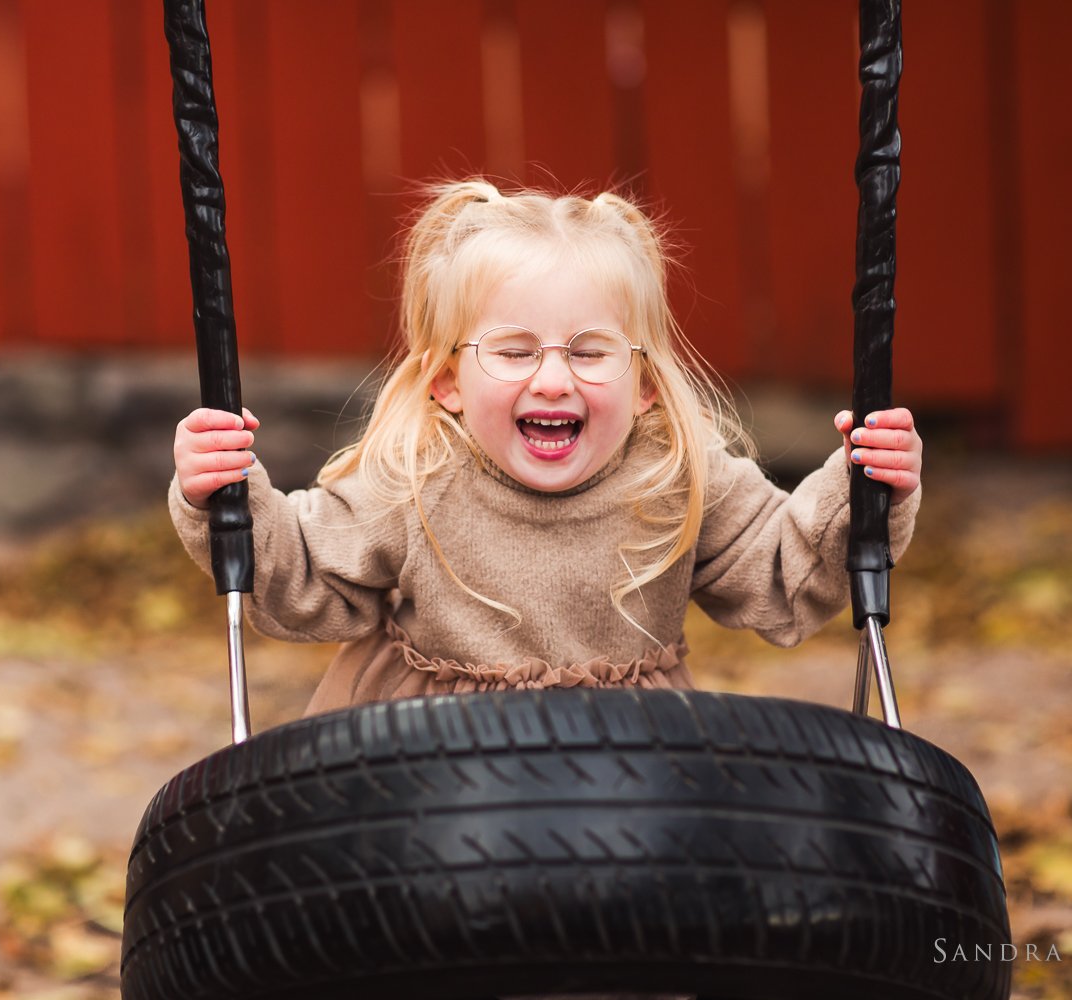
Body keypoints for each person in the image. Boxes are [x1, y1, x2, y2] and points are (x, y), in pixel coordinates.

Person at [169, 180, 922, 719]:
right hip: (423, 773)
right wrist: (229, 499)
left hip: (630, 771)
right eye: (516, 351)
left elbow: (784, 573)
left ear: (646, 384)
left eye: (591, 352)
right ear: (447, 381)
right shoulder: (413, 479)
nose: (555, 380)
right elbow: (301, 577)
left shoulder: (677, 479)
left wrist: (858, 489)